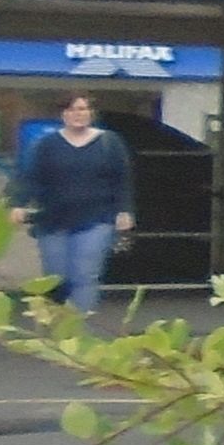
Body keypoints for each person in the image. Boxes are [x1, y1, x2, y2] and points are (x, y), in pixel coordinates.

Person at [14, 93, 135, 312]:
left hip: (97, 218)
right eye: (72, 110)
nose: (78, 114)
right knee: (56, 278)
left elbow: (122, 178)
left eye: (83, 109)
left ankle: (80, 333)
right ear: (63, 114)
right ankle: (58, 330)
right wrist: (20, 203)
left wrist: (124, 210)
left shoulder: (110, 142)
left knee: (85, 275)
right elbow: (31, 176)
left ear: (91, 113)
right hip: (52, 220)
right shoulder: (46, 144)